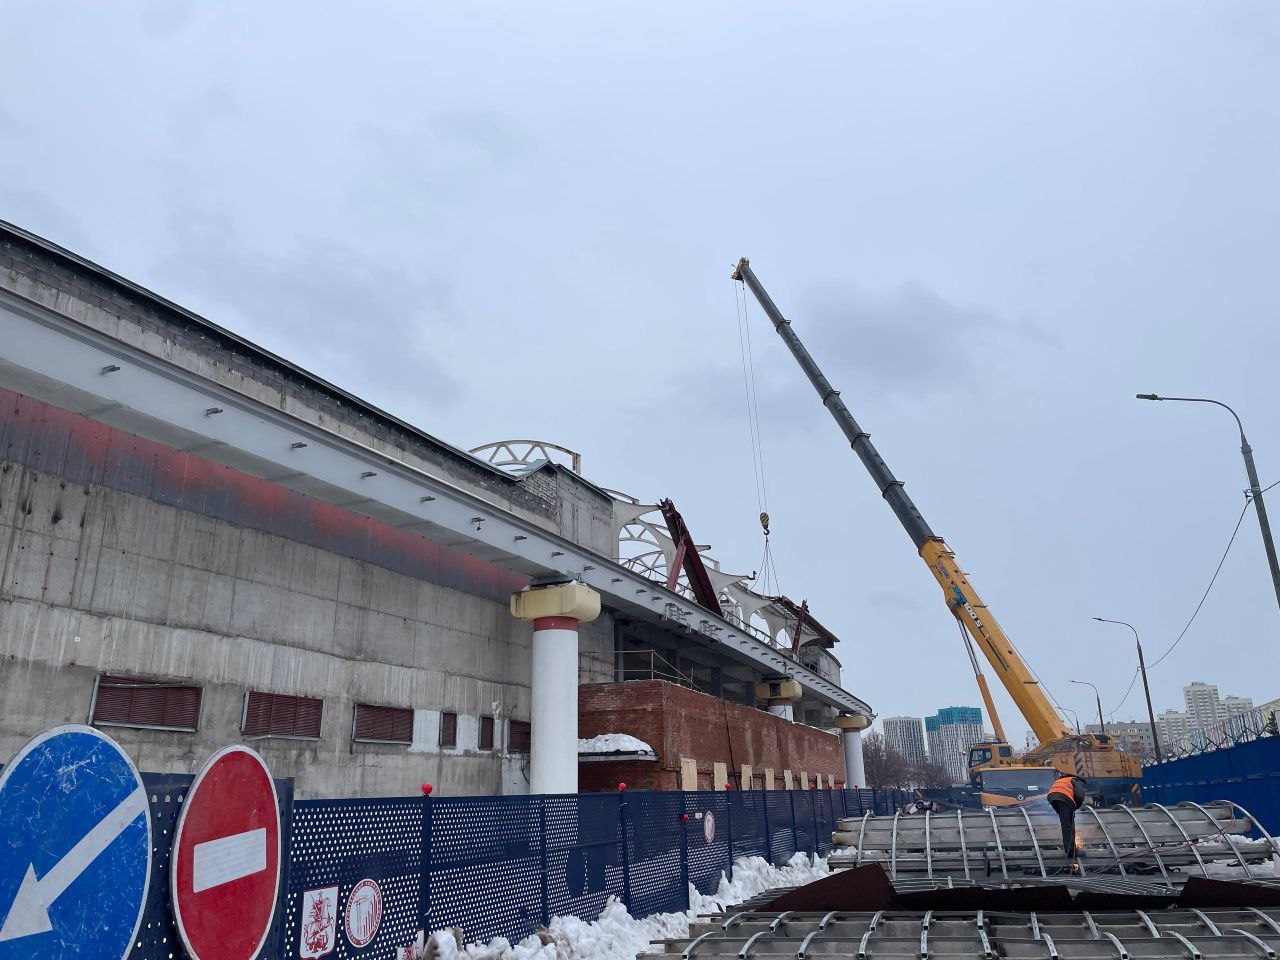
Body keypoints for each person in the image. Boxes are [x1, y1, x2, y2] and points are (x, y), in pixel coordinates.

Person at [1047, 770, 1086, 866]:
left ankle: (1070, 849)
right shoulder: (1076, 780)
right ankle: (1071, 852)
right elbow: (1080, 795)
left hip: (1052, 797)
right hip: (1063, 798)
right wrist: (1076, 806)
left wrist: (1072, 809)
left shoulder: (1063, 780)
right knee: (1068, 825)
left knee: (1066, 823)